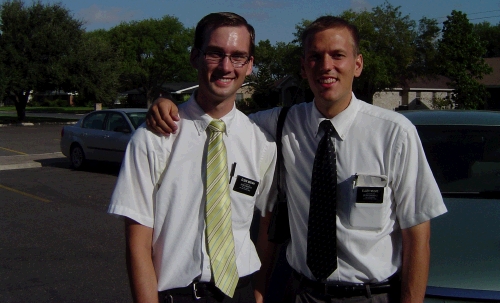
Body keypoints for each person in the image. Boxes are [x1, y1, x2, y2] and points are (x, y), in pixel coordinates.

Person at [146, 16, 447, 303]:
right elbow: (221, 115)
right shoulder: (279, 125)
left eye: (337, 55)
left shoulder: (394, 134)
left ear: (357, 64)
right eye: (315, 57)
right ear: (303, 67)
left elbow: (418, 238)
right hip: (303, 293)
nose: (326, 66)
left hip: (373, 294)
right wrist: (168, 105)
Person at [108, 12, 277, 303]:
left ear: (249, 66)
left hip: (242, 290)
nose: (226, 67)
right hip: (179, 295)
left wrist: (259, 296)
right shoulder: (153, 139)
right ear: (195, 57)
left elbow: (265, 232)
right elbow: (137, 246)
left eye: (238, 57)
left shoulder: (261, 143)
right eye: (215, 54)